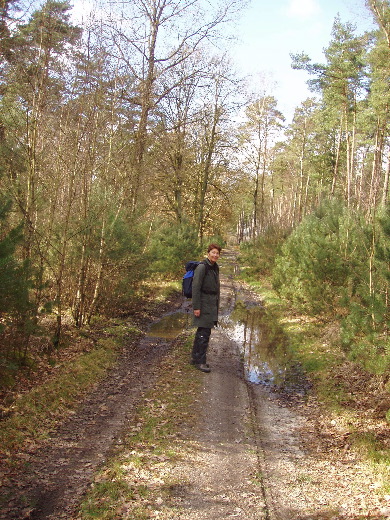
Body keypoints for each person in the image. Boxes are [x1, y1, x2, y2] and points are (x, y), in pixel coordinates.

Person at [190, 243, 221, 372]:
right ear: (208, 253)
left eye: (217, 253)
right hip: (203, 304)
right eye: (213, 252)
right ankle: (200, 362)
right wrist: (196, 307)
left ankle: (195, 358)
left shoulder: (215, 267)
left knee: (202, 332)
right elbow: (195, 288)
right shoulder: (202, 267)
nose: (215, 255)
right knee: (204, 333)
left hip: (211, 304)